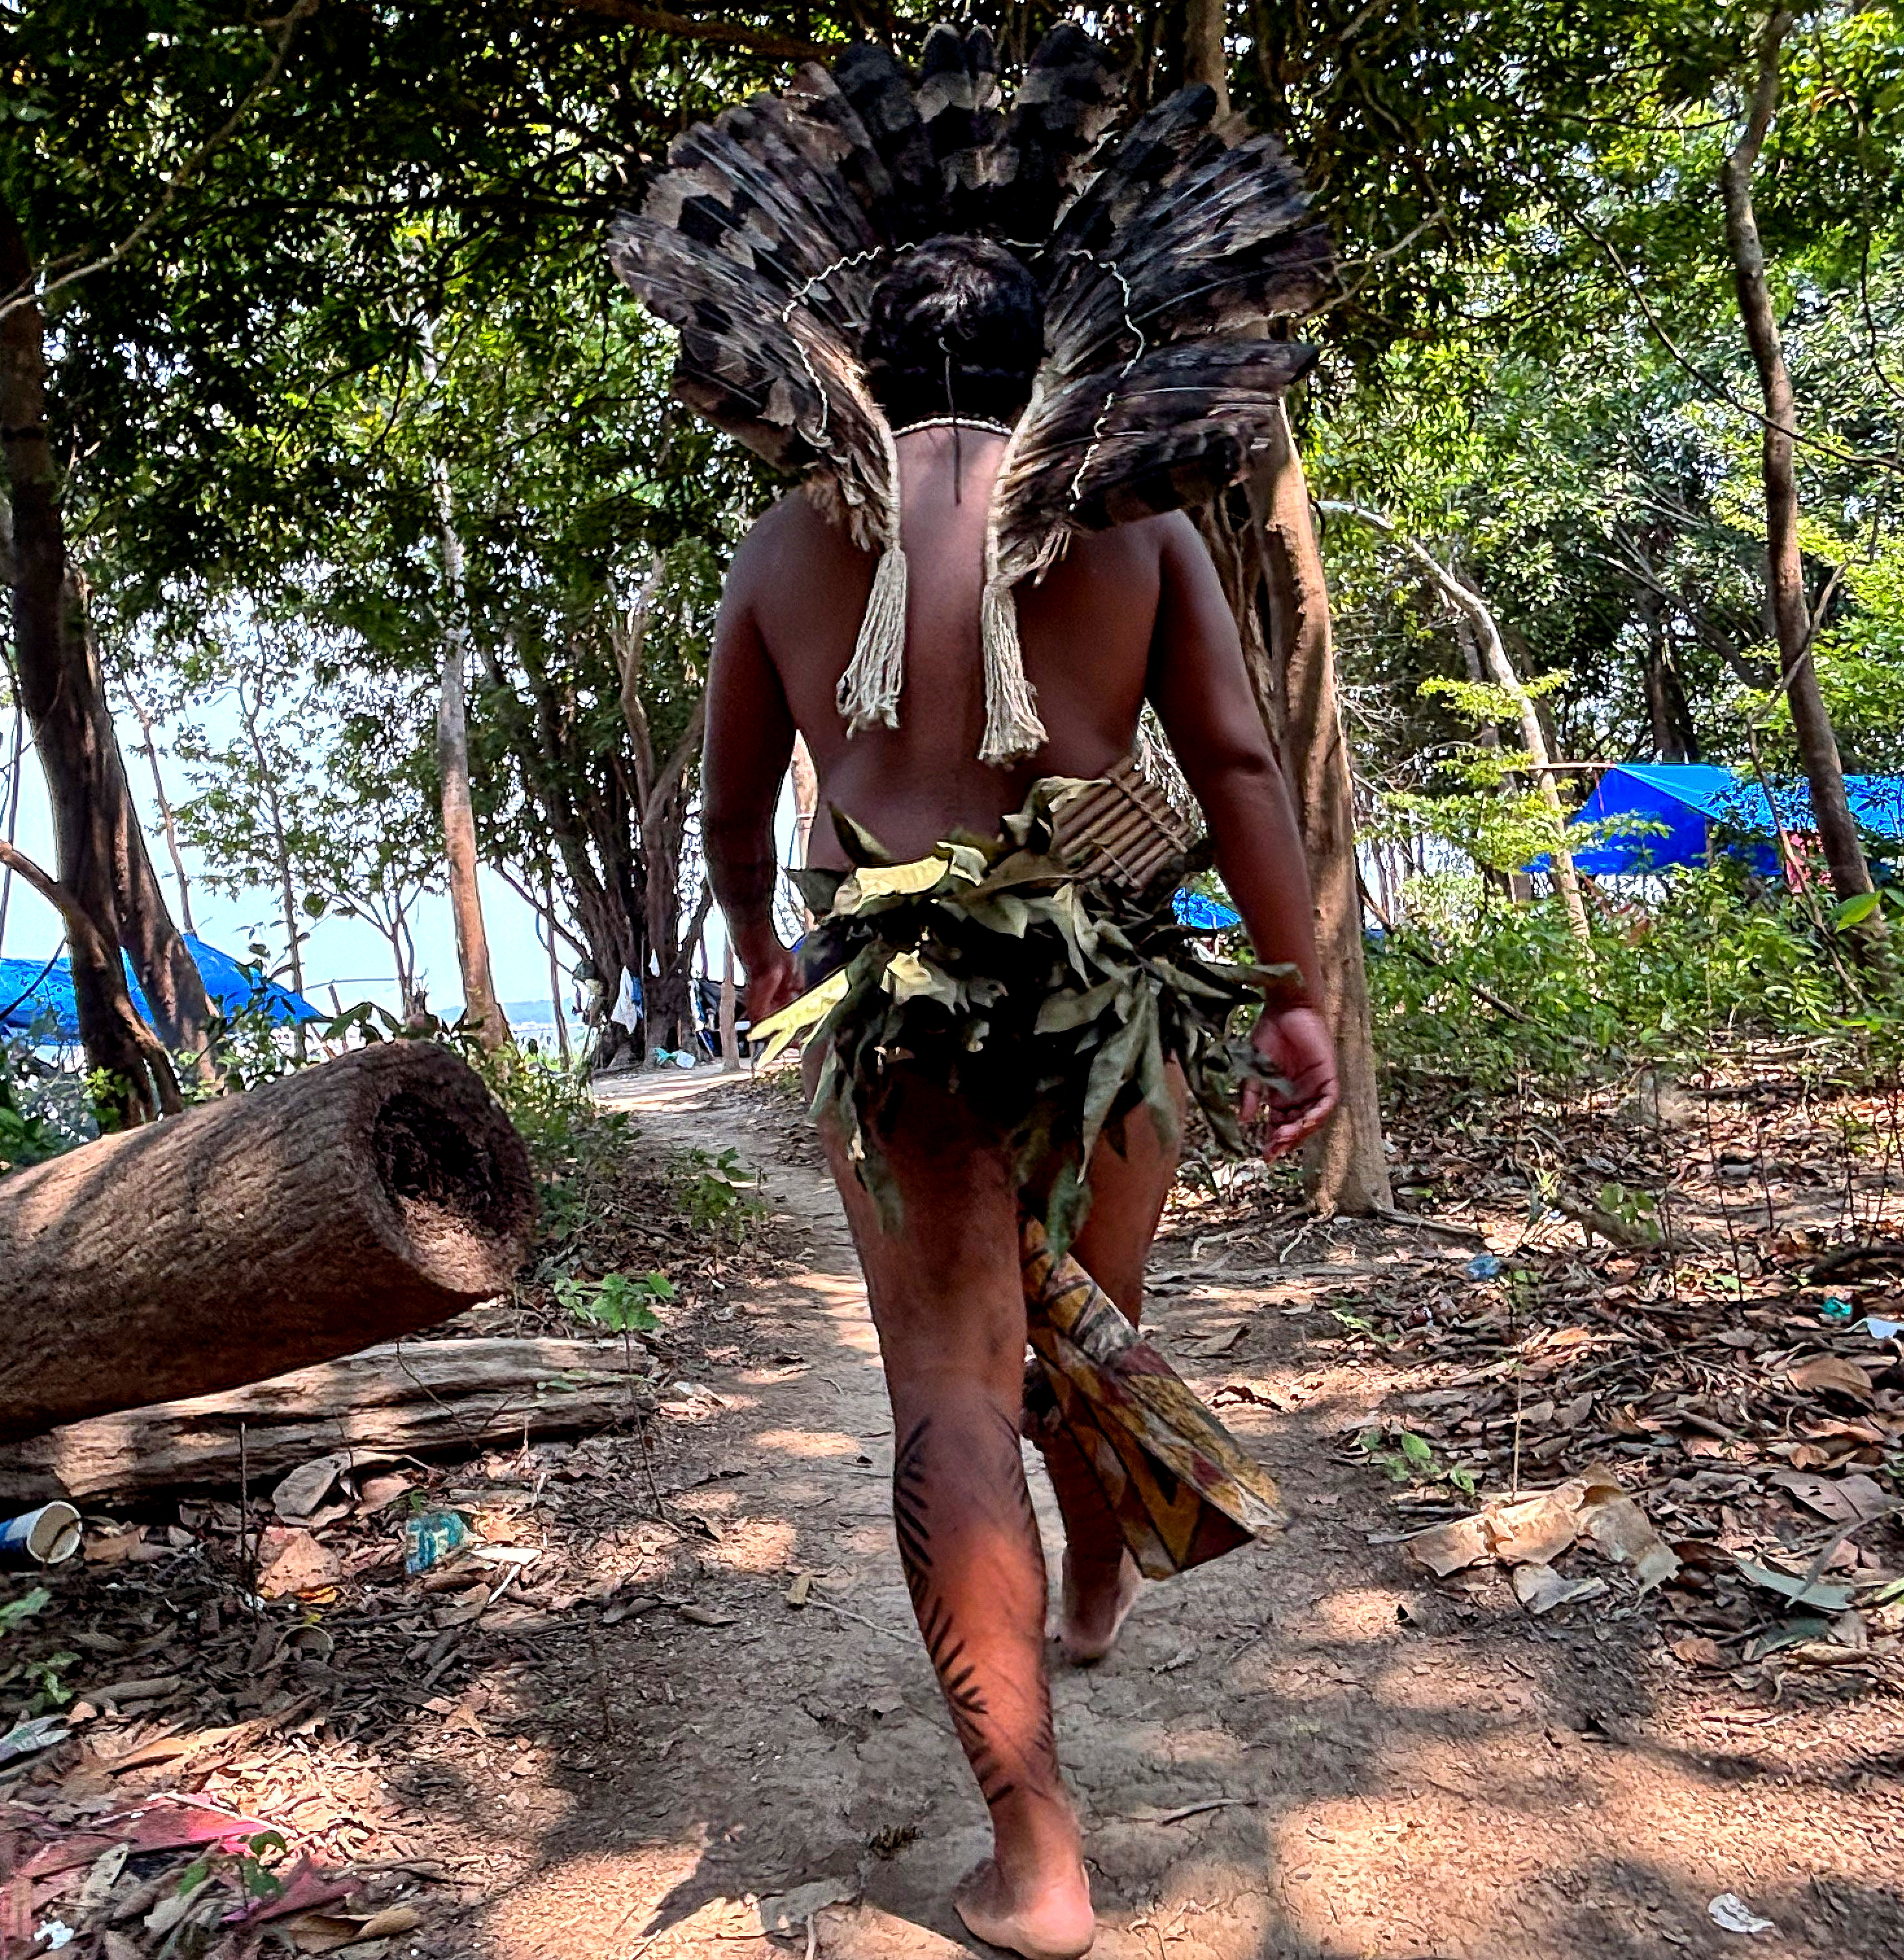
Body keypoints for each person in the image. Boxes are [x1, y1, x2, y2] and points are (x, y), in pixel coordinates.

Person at [611, 27, 1344, 1959]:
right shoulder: (1139, 526)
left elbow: (736, 799)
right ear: (1054, 363)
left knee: (952, 1390)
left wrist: (766, 942)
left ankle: (1036, 1859)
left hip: (901, 1012)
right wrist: (1298, 998)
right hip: (1108, 990)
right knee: (1087, 1322)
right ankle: (1090, 1593)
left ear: (845, 363)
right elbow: (1243, 769)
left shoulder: (785, 543)